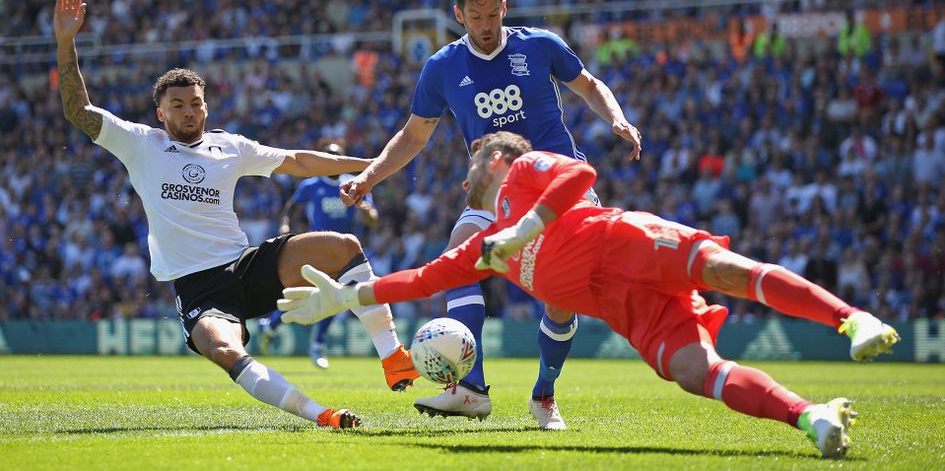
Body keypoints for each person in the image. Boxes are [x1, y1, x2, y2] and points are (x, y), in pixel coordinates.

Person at [281, 131, 900, 457]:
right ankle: (809, 416)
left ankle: (851, 320)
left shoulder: (523, 171)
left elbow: (583, 174)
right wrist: (347, 298)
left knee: (730, 272)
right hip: (621, 305)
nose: (464, 171)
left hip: (629, 243)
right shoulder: (484, 245)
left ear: (495, 160)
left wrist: (528, 225)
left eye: (472, 159)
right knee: (693, 370)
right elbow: (420, 280)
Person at [53, 0, 418, 430]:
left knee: (343, 245)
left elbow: (300, 161)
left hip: (245, 266)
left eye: (196, 103)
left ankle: (394, 357)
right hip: (199, 289)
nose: (190, 112)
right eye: (178, 106)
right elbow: (77, 110)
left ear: (206, 105)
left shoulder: (230, 146)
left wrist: (374, 167)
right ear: (160, 113)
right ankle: (321, 415)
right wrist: (65, 41)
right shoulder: (139, 143)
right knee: (227, 351)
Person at [339, 0, 642, 429]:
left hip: (556, 186)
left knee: (560, 300)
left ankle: (543, 395)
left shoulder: (539, 45)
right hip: (492, 189)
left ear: (505, 6)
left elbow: (589, 86)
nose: (485, 25)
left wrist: (617, 119)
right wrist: (369, 177)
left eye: (492, 13)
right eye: (474, 16)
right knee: (458, 259)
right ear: (459, 15)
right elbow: (414, 135)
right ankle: (472, 390)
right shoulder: (442, 66)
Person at [258, 139, 379, 369]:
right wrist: (285, 225)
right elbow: (292, 207)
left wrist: (365, 210)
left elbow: (373, 218)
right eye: (328, 155)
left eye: (336, 155)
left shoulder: (353, 184)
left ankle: (282, 330)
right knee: (313, 293)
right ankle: (288, 331)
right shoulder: (311, 185)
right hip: (318, 248)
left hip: (346, 253)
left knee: (339, 297)